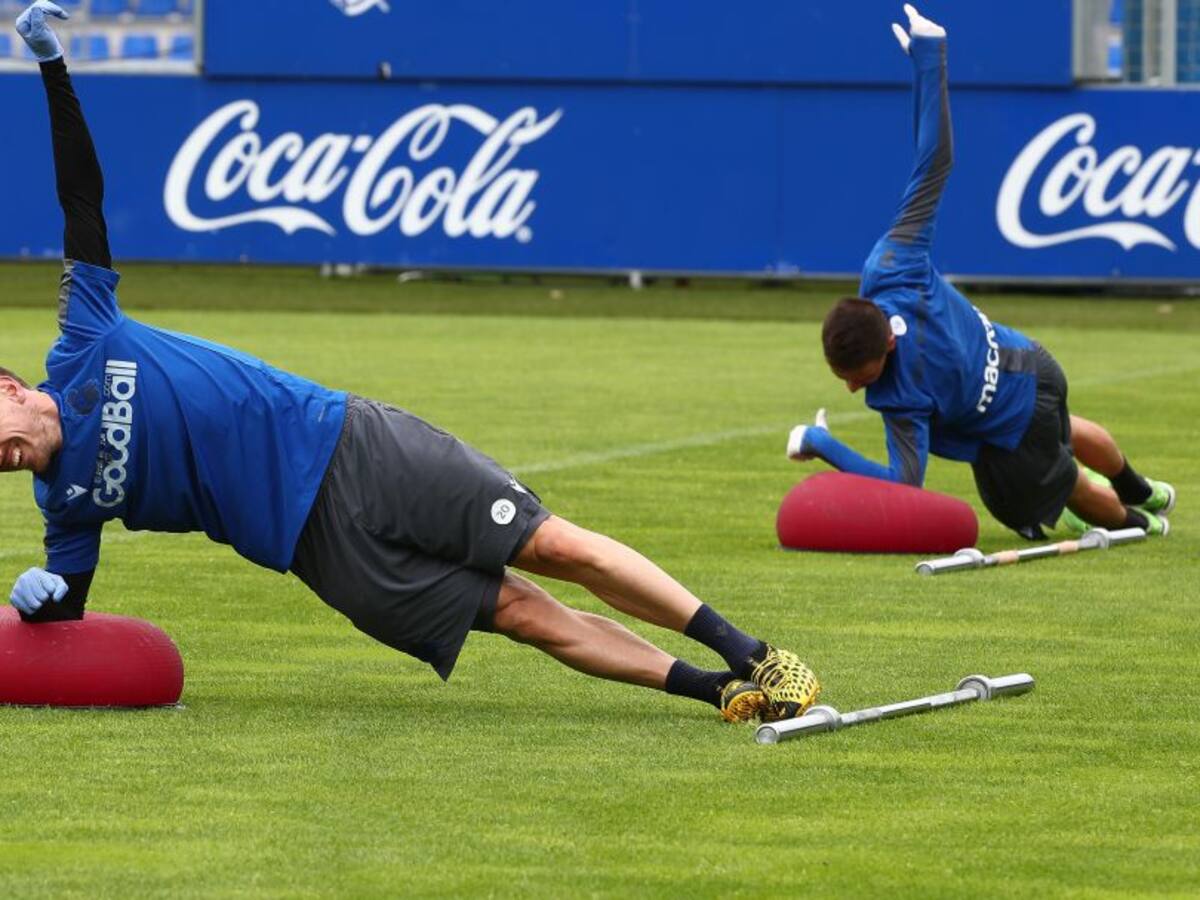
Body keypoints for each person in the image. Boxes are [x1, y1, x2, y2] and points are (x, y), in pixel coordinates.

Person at [4, 2, 820, 723]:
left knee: (553, 548)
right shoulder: (64, 502)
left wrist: (51, 66)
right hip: (323, 556)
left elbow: (81, 196)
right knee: (526, 617)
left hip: (351, 447)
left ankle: (749, 651)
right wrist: (46, 607)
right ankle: (718, 692)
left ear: (8, 388)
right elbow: (74, 596)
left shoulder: (85, 336)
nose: (6, 460)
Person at [787, 5, 1175, 542]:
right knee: (1068, 428)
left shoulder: (901, 395)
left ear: (888, 352)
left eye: (860, 375)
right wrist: (930, 58)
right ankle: (1141, 487)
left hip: (1014, 430)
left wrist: (821, 441)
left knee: (1065, 490)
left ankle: (1141, 521)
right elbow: (935, 161)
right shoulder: (895, 267)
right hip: (1037, 364)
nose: (854, 388)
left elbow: (905, 483)